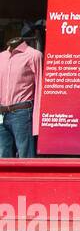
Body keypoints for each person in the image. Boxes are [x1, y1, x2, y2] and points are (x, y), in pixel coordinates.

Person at [0, 24, 42, 159]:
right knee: (3, 154)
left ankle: (30, 180)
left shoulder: (33, 55)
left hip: (22, 112)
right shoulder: (1, 57)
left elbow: (40, 85)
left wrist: (38, 119)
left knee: (25, 155)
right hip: (1, 112)